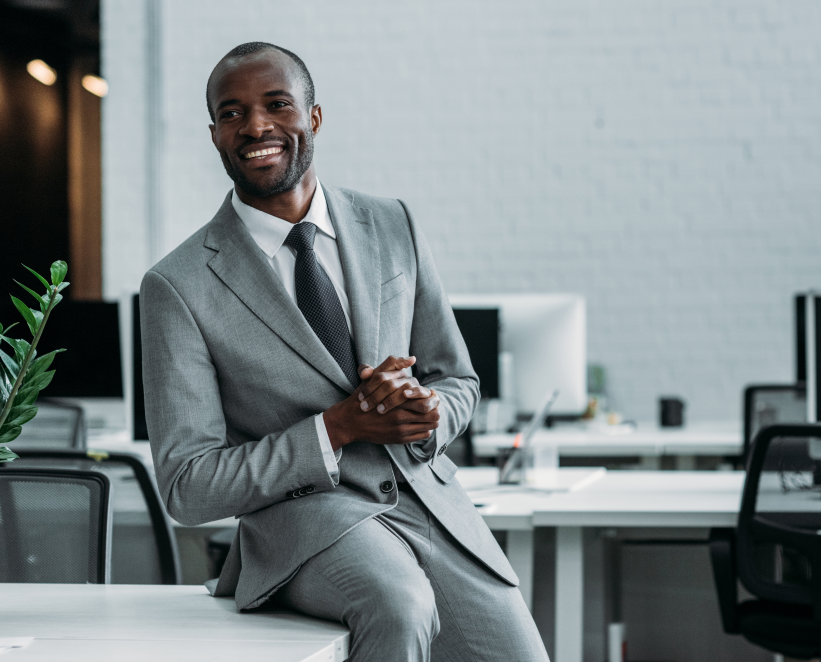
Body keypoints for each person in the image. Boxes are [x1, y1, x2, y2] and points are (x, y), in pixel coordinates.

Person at [140, 42, 549, 662]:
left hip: (429, 504)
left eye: (277, 105)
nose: (255, 126)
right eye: (232, 113)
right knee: (399, 604)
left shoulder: (393, 224)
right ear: (215, 134)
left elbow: (457, 378)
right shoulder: (178, 285)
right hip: (307, 524)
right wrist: (336, 429)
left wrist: (427, 411)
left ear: (315, 117)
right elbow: (189, 487)